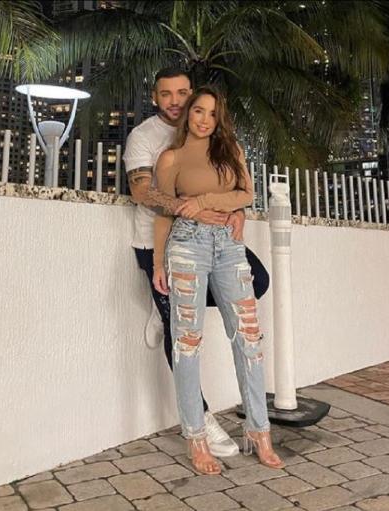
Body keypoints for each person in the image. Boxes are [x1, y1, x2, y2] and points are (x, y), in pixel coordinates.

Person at [123, 68, 270, 458]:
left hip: (215, 240)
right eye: (166, 94)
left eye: (182, 93)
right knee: (183, 336)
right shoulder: (145, 137)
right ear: (155, 97)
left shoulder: (216, 141)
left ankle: (167, 307)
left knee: (258, 281)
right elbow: (141, 191)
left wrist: (233, 210)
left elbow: (237, 189)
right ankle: (202, 420)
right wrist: (188, 208)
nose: (175, 101)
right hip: (159, 240)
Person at [151, 85, 284, 475]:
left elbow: (246, 194)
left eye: (212, 113)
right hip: (186, 245)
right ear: (188, 113)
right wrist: (158, 263)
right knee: (187, 343)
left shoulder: (231, 151)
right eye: (198, 111)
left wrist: (205, 202)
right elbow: (165, 212)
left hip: (229, 245)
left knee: (249, 339)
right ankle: (196, 437)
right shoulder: (171, 157)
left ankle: (259, 430)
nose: (204, 120)